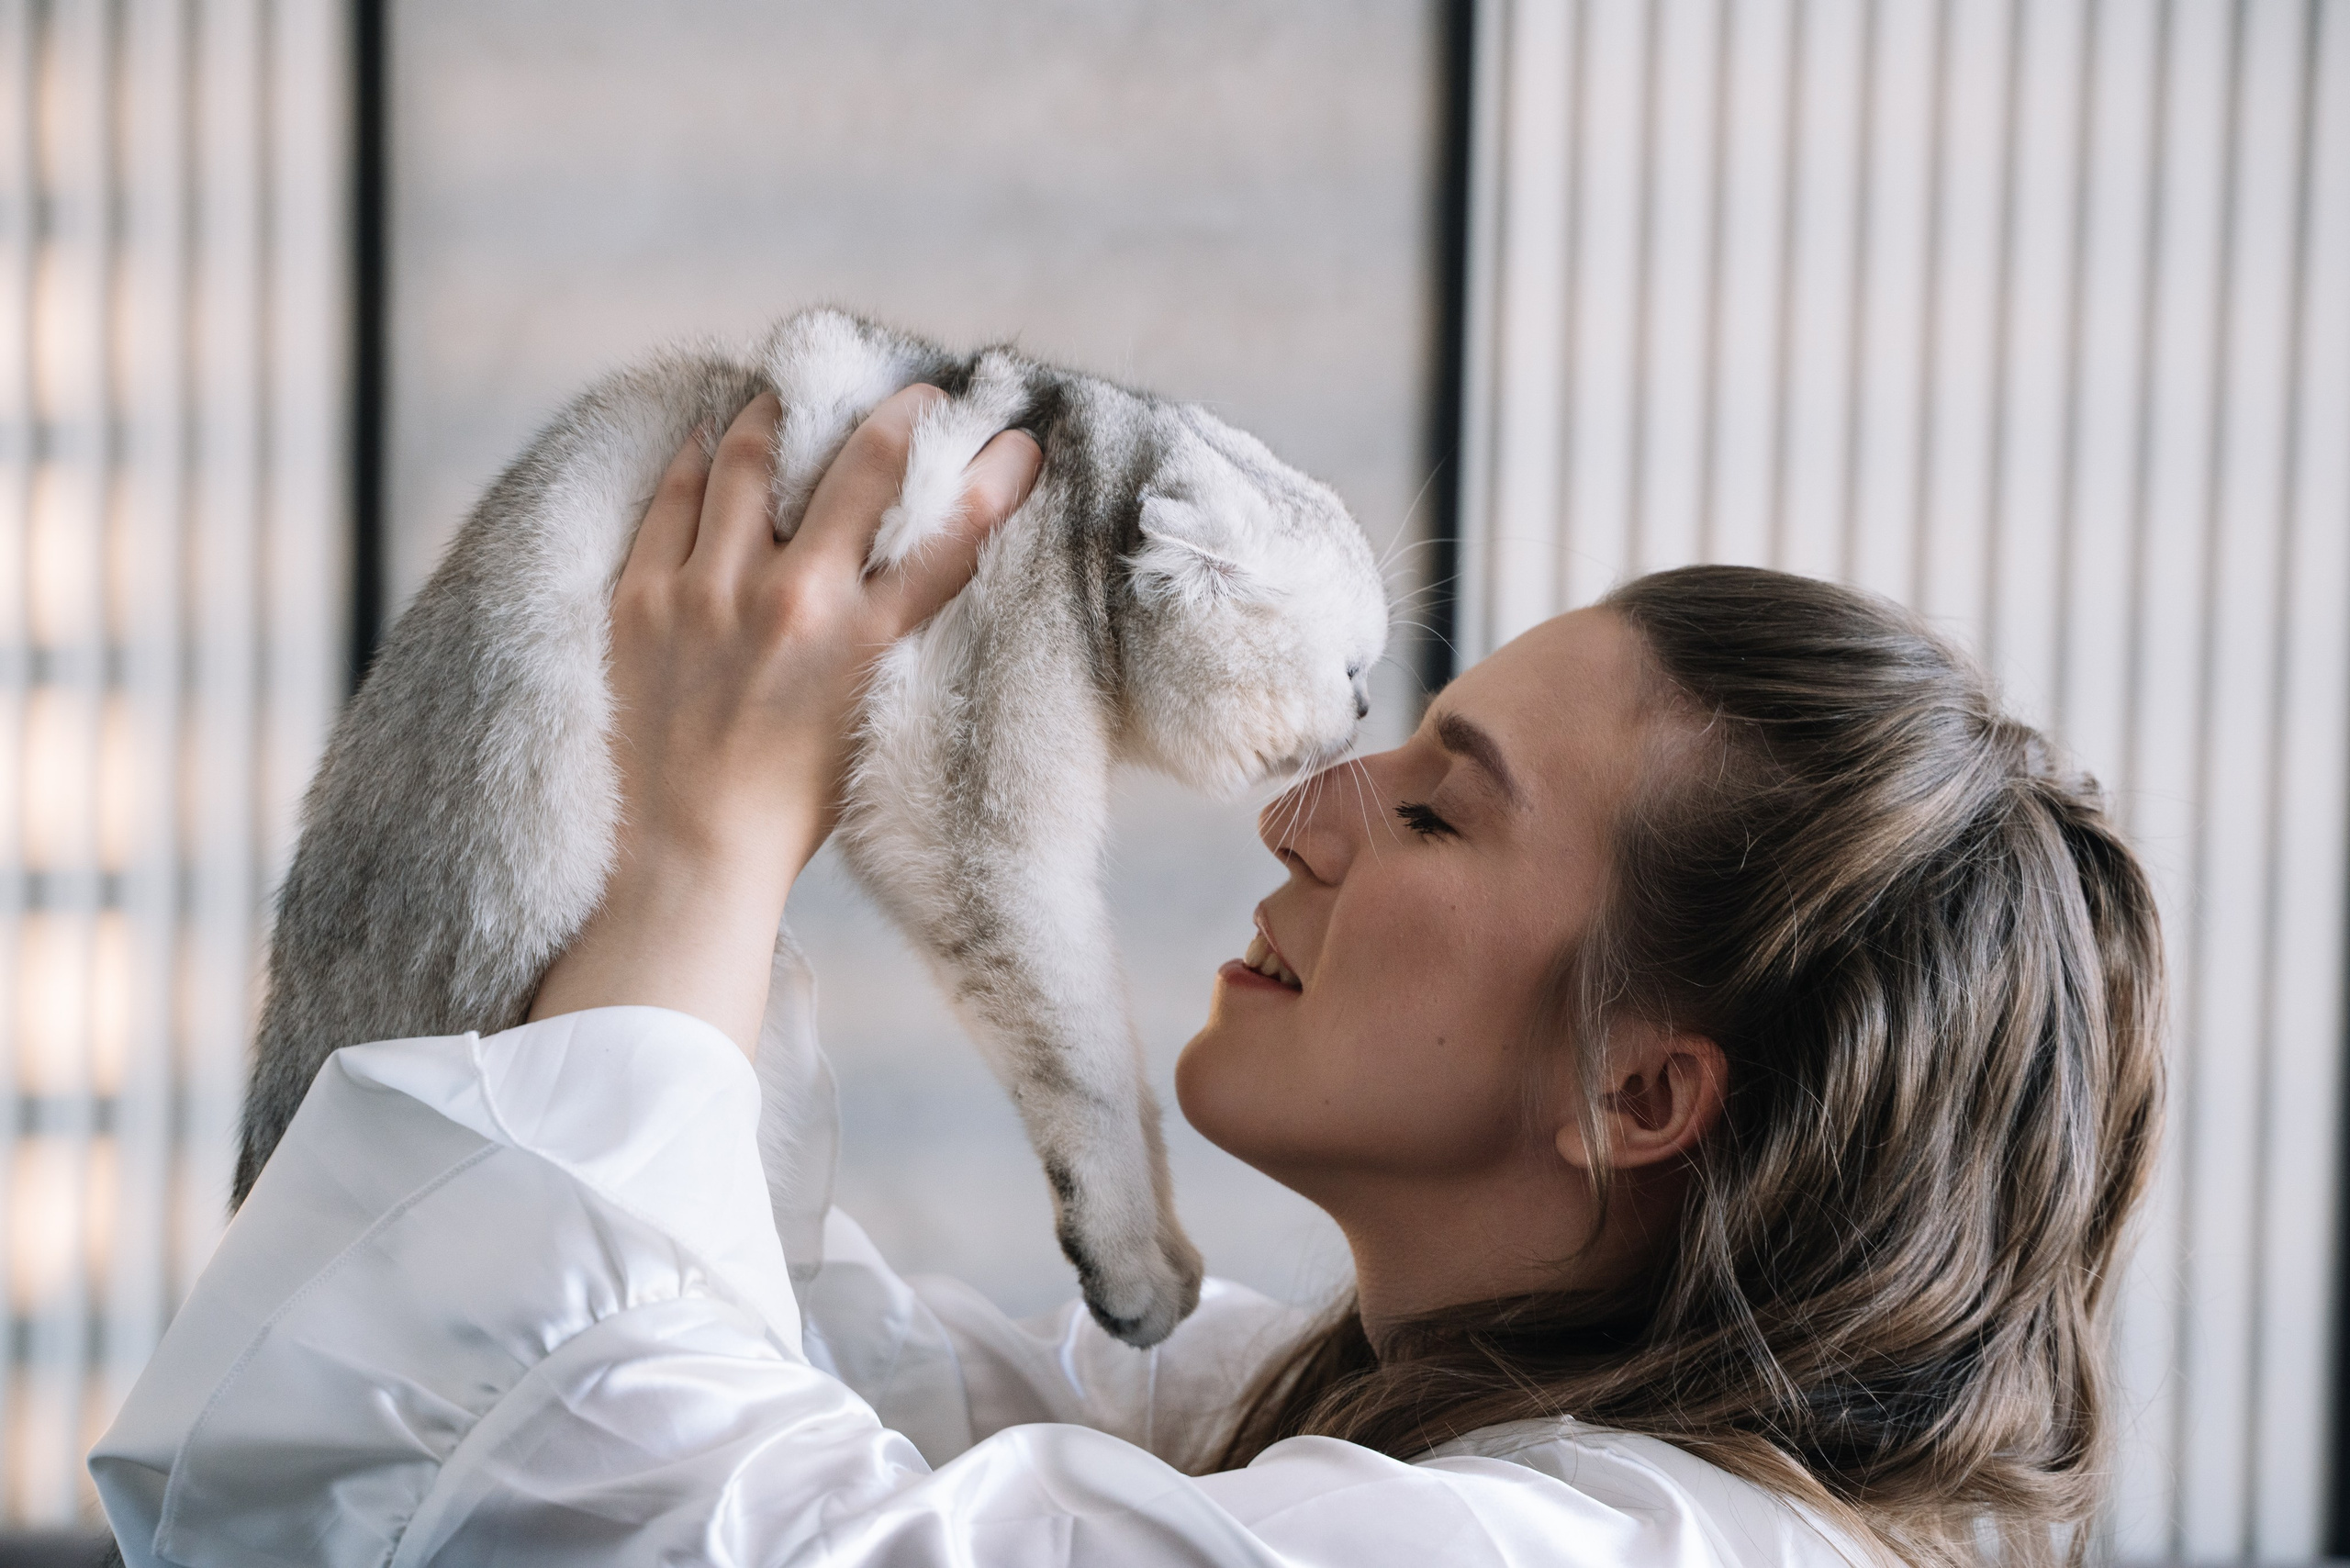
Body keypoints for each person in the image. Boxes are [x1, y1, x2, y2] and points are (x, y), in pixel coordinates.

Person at [91, 387, 2163, 1568]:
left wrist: (718, 840)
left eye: (1435, 812)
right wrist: (703, 772)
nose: (1301, 813)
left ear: (1638, 1092)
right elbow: (820, 1373)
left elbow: (643, 1506)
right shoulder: (1315, 1402)